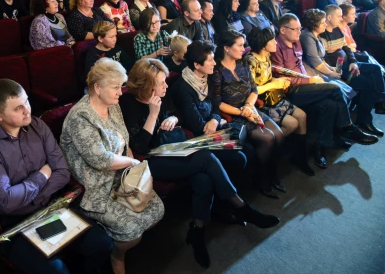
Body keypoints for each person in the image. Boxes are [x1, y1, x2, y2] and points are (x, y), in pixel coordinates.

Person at [120, 58, 279, 268]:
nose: (166, 86)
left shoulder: (162, 94)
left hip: (174, 148)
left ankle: (197, 231)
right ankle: (239, 206)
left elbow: (176, 113)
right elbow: (140, 147)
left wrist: (173, 119)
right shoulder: (129, 103)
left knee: (205, 178)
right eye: (161, 83)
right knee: (205, 157)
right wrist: (153, 115)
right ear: (147, 85)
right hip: (153, 160)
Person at [0, 78, 113, 274]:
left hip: (50, 206)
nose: (27, 110)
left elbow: (63, 172)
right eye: (18, 108)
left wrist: (34, 197)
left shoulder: (37, 126)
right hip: (14, 223)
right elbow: (6, 201)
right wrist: (42, 175)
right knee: (56, 271)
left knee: (103, 244)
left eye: (27, 102)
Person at [59, 58, 164, 274]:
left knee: (157, 210)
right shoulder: (81, 117)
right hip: (94, 188)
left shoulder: (112, 105)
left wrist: (132, 168)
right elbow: (101, 160)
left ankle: (121, 243)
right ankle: (117, 255)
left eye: (121, 86)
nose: (121, 91)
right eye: (116, 87)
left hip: (121, 177)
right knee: (132, 228)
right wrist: (134, 162)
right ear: (97, 88)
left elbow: (124, 141)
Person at [271, 13, 378, 167]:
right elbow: (284, 78)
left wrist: (313, 78)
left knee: (330, 105)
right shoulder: (276, 47)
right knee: (335, 89)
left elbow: (302, 65)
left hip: (305, 85)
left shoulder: (296, 41)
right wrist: (310, 79)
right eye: (295, 29)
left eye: (300, 29)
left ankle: (320, 147)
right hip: (293, 91)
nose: (299, 32)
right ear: (282, 30)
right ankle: (347, 127)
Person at [209, 29, 286, 197]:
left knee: (279, 135)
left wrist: (249, 106)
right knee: (267, 138)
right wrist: (242, 112)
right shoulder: (217, 71)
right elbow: (217, 102)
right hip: (234, 115)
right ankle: (260, 179)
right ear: (227, 48)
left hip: (249, 108)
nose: (244, 49)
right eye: (240, 45)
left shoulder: (243, 63)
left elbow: (254, 89)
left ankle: (272, 175)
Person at [245, 27, 314, 176]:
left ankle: (299, 157)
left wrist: (278, 80)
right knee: (293, 123)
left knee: (302, 115)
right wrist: (273, 84)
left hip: (274, 97)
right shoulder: (250, 60)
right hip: (262, 102)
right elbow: (251, 89)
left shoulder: (266, 56)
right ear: (263, 44)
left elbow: (267, 78)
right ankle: (271, 154)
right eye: (272, 40)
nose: (276, 42)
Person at [319, 5, 385, 136]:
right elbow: (327, 60)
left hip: (348, 65)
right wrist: (341, 57)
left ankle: (381, 102)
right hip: (337, 70)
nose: (340, 19)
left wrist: (353, 62)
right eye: (339, 16)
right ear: (329, 17)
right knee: (369, 84)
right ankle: (370, 115)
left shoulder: (337, 31)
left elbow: (346, 49)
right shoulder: (323, 34)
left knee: (375, 69)